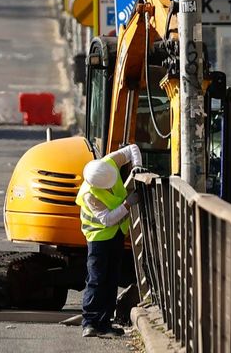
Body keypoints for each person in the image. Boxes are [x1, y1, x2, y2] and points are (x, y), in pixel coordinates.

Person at [76, 144, 141, 338]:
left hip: (116, 233)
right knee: (97, 279)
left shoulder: (108, 163)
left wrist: (137, 166)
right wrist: (128, 203)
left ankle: (104, 323)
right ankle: (90, 322)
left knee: (111, 278)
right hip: (99, 237)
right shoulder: (90, 193)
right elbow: (107, 219)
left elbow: (133, 149)